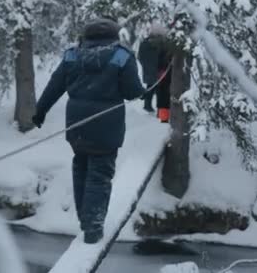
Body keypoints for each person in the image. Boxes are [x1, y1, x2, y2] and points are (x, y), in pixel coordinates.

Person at [31, 18, 145, 244]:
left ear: (86, 37)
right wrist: (142, 90)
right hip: (106, 124)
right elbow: (132, 92)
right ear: (114, 36)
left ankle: (85, 220)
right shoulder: (122, 56)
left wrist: (40, 111)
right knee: (100, 174)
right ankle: (93, 228)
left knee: (80, 165)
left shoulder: (72, 56)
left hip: (77, 123)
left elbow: (54, 86)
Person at [137, 21, 172, 122]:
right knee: (162, 93)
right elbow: (167, 58)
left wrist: (146, 66)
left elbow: (140, 56)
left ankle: (147, 106)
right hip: (161, 72)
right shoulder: (164, 43)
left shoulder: (144, 42)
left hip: (149, 71)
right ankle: (162, 115)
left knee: (150, 87)